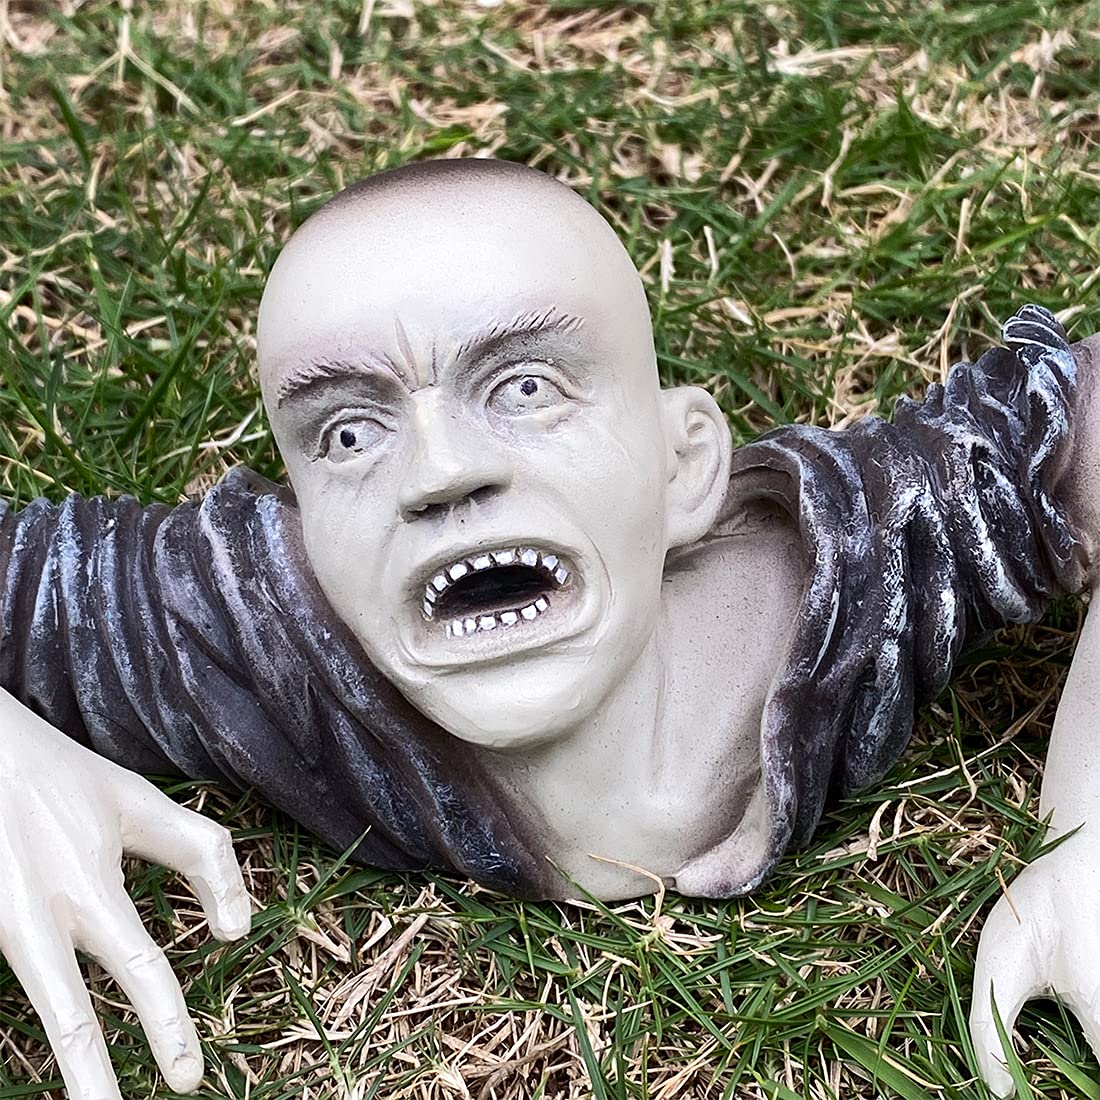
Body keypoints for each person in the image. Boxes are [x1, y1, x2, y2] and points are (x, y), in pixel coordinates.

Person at [0, 158, 1095, 1098]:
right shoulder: (246, 621)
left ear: (683, 465)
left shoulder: (868, 553)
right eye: (346, 434)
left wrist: (1084, 829)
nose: (439, 471)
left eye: (525, 388)